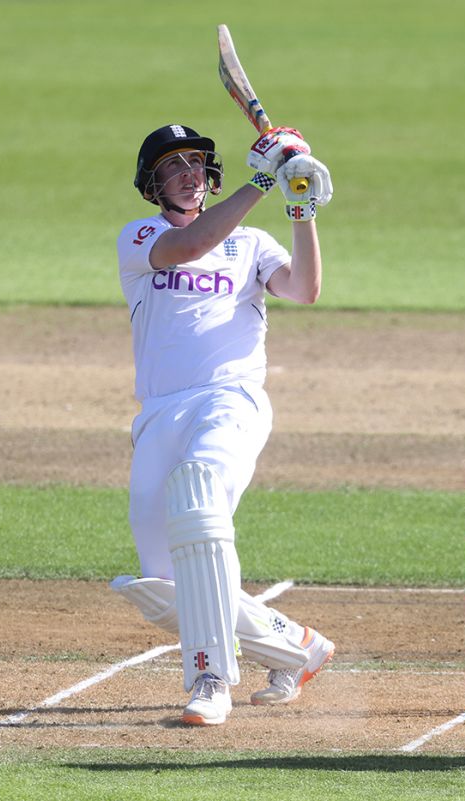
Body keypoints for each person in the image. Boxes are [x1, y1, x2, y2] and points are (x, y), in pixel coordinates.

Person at [110, 122, 335, 726]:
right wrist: (263, 179)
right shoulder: (141, 237)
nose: (187, 173)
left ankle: (210, 677)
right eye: (171, 166)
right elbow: (190, 249)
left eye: (195, 163)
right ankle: (297, 646)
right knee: (159, 585)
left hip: (230, 399)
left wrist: (300, 206)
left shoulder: (253, 243)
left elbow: (306, 290)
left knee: (199, 497)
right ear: (152, 182)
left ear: (210, 175)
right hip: (160, 412)